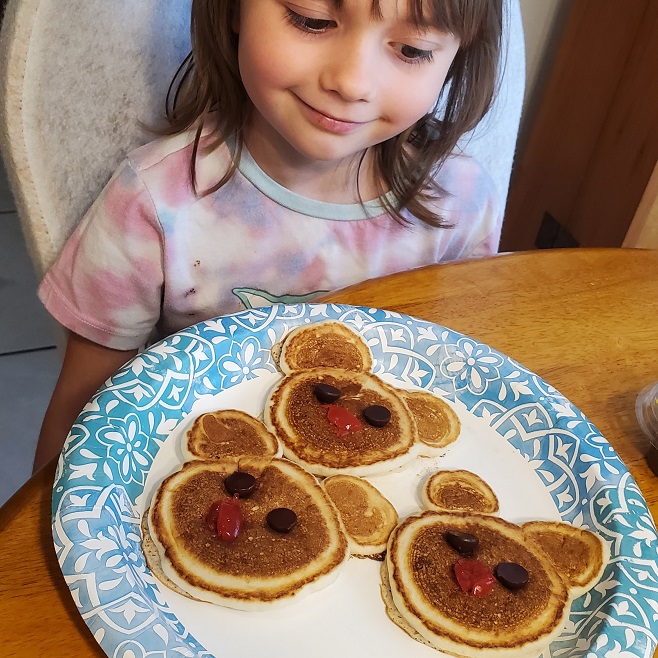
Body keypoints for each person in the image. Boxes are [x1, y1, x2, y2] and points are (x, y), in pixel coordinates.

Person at [34, 0, 504, 471]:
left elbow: (461, 379)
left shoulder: (460, 202)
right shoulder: (151, 204)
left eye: (411, 49)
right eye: (311, 20)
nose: (352, 82)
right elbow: (80, 417)